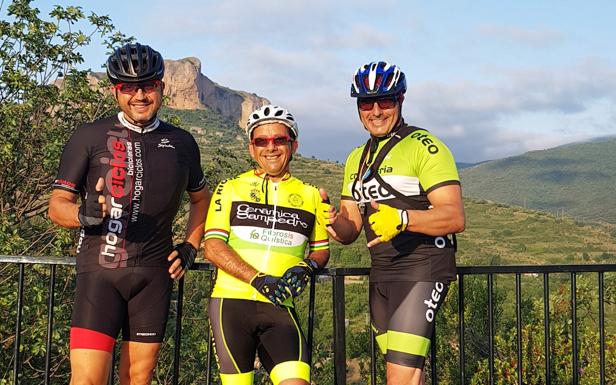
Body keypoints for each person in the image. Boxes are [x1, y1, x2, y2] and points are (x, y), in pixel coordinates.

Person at [48, 43, 210, 385]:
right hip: (100, 273)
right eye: (128, 87)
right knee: (87, 380)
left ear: (162, 87)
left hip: (154, 275)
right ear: (115, 91)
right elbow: (57, 206)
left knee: (139, 378)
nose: (140, 94)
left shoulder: (182, 142)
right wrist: (83, 215)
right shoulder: (89, 136)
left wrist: (191, 245)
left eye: (148, 85)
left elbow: (201, 199)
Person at [321, 61, 465, 385]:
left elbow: (455, 216)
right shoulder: (356, 158)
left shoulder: (424, 146)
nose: (375, 110)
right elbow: (350, 228)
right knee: (409, 374)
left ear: (400, 100)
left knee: (398, 377)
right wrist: (331, 220)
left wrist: (403, 219)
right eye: (365, 102)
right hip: (382, 271)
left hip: (422, 268)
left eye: (385, 100)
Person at [203, 104, 330, 385]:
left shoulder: (311, 195)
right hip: (232, 304)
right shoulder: (230, 187)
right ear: (252, 148)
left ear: (293, 145)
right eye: (261, 141)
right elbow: (212, 247)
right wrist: (258, 279)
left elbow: (321, 249)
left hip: (280, 305)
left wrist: (308, 266)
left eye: (279, 140)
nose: (270, 148)